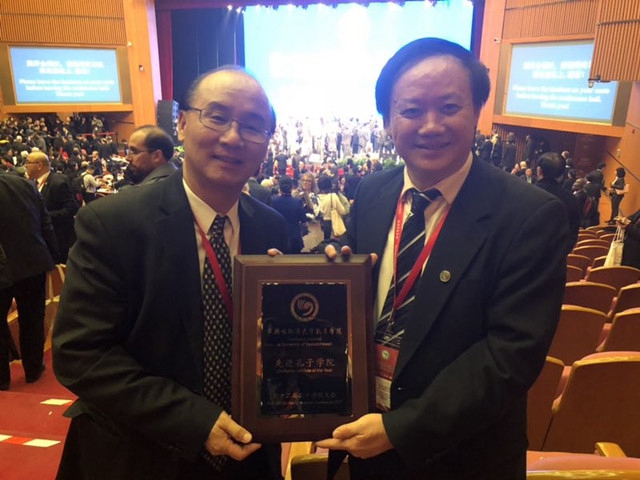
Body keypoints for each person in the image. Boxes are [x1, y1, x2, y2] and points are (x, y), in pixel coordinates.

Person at [318, 37, 570, 480]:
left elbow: (510, 356)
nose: (431, 126)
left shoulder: (529, 215)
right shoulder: (373, 191)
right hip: (366, 441)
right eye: (412, 110)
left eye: (450, 107)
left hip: (462, 456)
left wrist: (400, 429)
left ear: (476, 112)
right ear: (388, 121)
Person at [52, 66, 289, 480]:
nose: (233, 137)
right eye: (217, 117)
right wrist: (194, 420)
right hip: (140, 455)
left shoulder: (271, 228)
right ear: (181, 123)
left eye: (253, 126)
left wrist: (331, 286)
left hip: (248, 457)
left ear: (266, 142)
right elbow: (80, 354)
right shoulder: (113, 222)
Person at [0, 174, 59, 390]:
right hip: (32, 261)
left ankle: (2, 379)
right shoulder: (25, 184)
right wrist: (54, 256)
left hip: (5, 265)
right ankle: (33, 369)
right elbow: (45, 224)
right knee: (32, 318)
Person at [25, 151, 79, 262]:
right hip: (40, 238)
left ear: (39, 165)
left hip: (58, 239)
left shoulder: (58, 183)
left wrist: (45, 216)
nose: (25, 166)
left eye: (28, 162)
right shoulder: (32, 183)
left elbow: (72, 208)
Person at [535, 152, 580, 253]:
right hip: (558, 255)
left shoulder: (527, 193)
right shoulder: (571, 198)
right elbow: (573, 231)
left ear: (539, 170)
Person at [270, 175, 307, 253]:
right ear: (292, 187)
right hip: (294, 238)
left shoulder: (273, 201)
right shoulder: (297, 202)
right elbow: (304, 221)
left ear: (279, 187)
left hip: (278, 238)